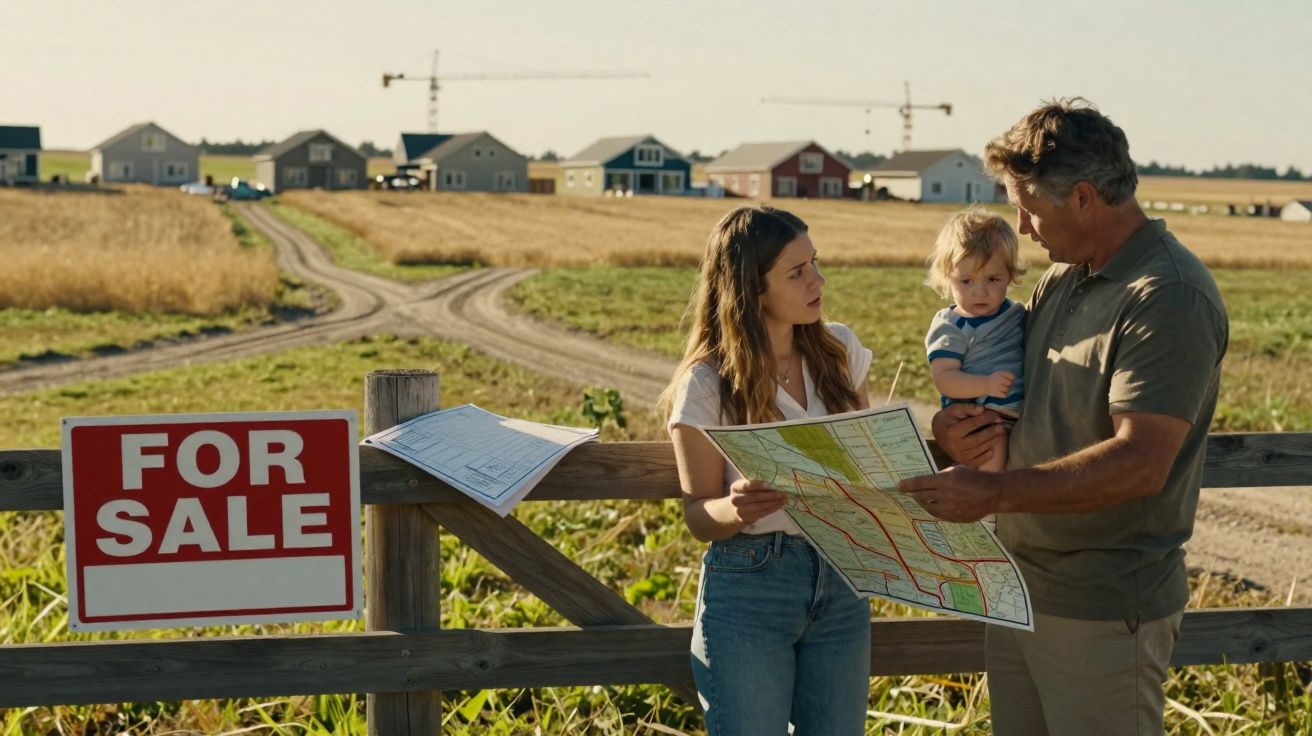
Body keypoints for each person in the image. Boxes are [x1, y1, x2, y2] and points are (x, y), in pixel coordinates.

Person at [897, 98, 1228, 736]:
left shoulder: (1168, 297)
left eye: (1029, 205)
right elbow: (1016, 404)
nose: (1020, 227)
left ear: (1081, 198)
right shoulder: (1063, 278)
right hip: (1021, 590)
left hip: (1102, 609)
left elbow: (1140, 463)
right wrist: (950, 431)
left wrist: (992, 491)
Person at [659, 204, 873, 735]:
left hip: (844, 576)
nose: (817, 281)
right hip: (752, 585)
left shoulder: (840, 351)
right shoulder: (706, 383)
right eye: (797, 272)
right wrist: (733, 508)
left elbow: (869, 458)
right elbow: (697, 515)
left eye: (814, 263)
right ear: (752, 290)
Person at [923, 207, 1029, 474]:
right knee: (993, 453)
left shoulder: (1016, 314)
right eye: (966, 281)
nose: (980, 292)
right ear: (947, 278)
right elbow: (944, 378)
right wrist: (986, 384)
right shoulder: (952, 326)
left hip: (1018, 416)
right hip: (977, 416)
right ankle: (986, 506)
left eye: (993, 279)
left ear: (1010, 276)